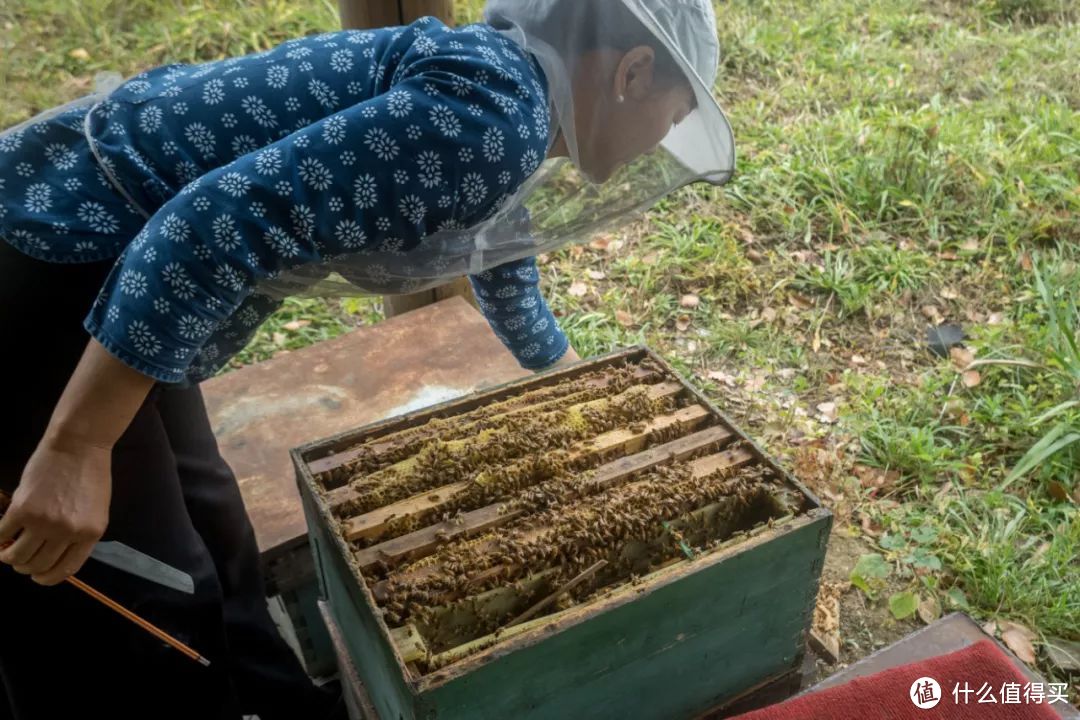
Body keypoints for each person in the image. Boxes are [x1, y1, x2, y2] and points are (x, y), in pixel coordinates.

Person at [0, 0, 734, 717]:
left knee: (216, 526)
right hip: (55, 250)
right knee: (150, 597)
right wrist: (76, 444)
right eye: (672, 120)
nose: (659, 143)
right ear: (633, 73)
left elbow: (500, 253)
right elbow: (210, 222)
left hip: (133, 277)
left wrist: (585, 388)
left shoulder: (505, 94)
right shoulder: (496, 118)